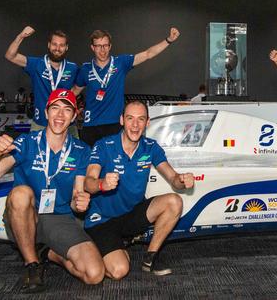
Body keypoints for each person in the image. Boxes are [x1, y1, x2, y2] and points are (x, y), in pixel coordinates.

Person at [0, 89, 104, 292]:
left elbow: (76, 198)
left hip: (60, 218)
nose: (60, 115)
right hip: (27, 215)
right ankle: (32, 265)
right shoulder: (26, 142)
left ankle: (47, 253)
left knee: (94, 274)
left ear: (74, 116)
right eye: (55, 108)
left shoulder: (82, 151)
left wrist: (80, 203)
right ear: (46, 113)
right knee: (21, 193)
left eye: (67, 110)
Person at [83, 100, 194, 278]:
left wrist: (182, 180)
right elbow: (88, 182)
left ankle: (149, 259)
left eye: (141, 119)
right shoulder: (103, 145)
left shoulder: (150, 147)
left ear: (147, 122)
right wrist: (102, 183)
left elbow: (173, 179)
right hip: (102, 221)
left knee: (174, 201)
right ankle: (95, 246)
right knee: (119, 270)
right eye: (130, 118)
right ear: (121, 120)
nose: (135, 125)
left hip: (131, 215)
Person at [73, 28, 180, 147]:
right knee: (90, 164)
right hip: (91, 126)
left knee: (114, 163)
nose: (102, 50)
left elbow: (148, 54)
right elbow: (74, 92)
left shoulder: (121, 63)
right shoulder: (85, 69)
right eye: (98, 46)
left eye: (105, 45)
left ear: (110, 46)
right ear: (92, 47)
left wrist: (168, 40)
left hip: (114, 124)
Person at [5, 26, 79, 132]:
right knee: (34, 149)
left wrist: (67, 97)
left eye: (61, 45)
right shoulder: (36, 64)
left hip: (66, 124)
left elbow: (81, 85)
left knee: (75, 149)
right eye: (54, 44)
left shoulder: (73, 68)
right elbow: (10, 56)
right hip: (40, 124)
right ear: (49, 45)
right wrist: (20, 36)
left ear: (66, 47)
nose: (57, 48)